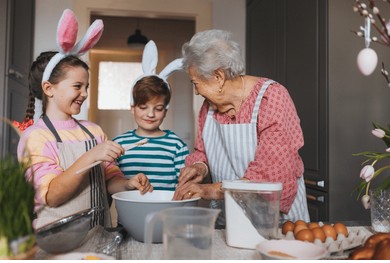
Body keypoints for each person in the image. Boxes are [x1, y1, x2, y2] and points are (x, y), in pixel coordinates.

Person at [16, 9, 151, 230]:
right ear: (49, 89)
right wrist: (90, 156)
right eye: (77, 86)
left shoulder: (94, 131)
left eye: (86, 86)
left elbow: (109, 180)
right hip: (57, 243)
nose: (85, 93)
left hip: (99, 235)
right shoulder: (36, 137)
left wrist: (127, 184)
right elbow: (52, 196)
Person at [173, 29, 310, 224]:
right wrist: (199, 167)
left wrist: (207, 190)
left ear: (218, 77)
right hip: (230, 219)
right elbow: (203, 151)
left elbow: (271, 175)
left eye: (196, 83)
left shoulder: (271, 99)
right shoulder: (208, 109)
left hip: (274, 222)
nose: (196, 92)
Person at [113, 40, 189, 191]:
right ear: (132, 108)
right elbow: (111, 184)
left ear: (166, 111)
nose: (150, 114)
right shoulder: (119, 144)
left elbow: (184, 185)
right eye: (143, 107)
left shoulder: (176, 145)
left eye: (158, 108)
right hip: (131, 213)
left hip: (166, 213)